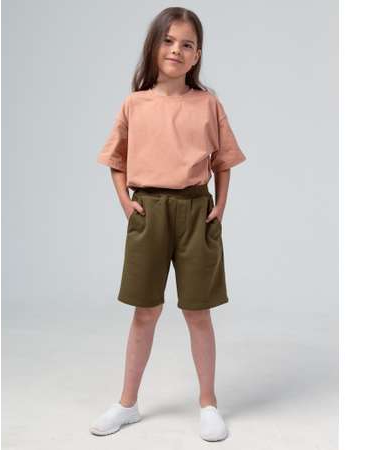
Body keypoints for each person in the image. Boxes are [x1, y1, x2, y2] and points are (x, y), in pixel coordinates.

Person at [90, 6, 246, 442]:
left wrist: (220, 206)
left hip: (196, 210)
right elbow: (116, 159)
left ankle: (208, 403)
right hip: (148, 211)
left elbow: (224, 161)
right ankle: (127, 403)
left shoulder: (208, 104)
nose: (176, 50)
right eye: (169, 40)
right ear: (154, 46)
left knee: (198, 311)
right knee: (145, 311)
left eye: (187, 44)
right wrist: (126, 203)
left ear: (197, 55)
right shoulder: (135, 103)